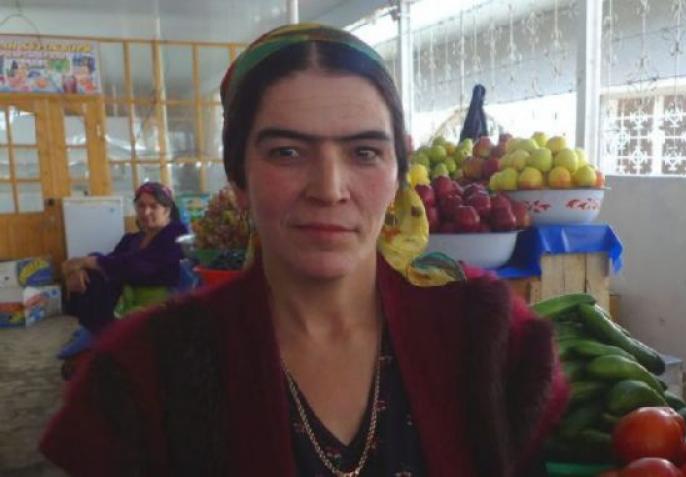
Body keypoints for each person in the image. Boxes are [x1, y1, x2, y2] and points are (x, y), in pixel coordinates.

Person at [41, 24, 568, 477]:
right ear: (238, 179)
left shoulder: (489, 339)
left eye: (364, 152)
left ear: (398, 177)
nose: (329, 189)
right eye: (287, 152)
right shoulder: (144, 374)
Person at [59, 181, 187, 353]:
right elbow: (112, 260)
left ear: (167, 209)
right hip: (126, 293)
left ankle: (102, 338)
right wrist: (77, 269)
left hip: (157, 298)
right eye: (141, 206)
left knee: (97, 270)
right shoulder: (132, 239)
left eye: (153, 206)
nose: (146, 212)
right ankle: (96, 334)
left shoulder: (176, 233)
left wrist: (86, 262)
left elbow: (139, 266)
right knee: (92, 269)